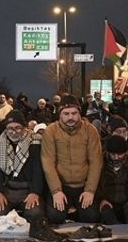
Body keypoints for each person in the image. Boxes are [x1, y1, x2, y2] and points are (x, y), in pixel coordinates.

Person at [40, 95, 103, 224]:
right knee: (54, 216)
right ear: (60, 115)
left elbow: (96, 162)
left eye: (74, 113)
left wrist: (90, 190)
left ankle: (75, 215)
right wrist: (56, 191)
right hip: (62, 185)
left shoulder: (90, 130)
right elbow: (48, 163)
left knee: (91, 217)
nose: (70, 117)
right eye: (66, 113)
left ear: (79, 113)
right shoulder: (51, 131)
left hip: (83, 185)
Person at [0, 111, 46, 222]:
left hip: (27, 189)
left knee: (35, 214)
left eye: (17, 128)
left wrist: (35, 192)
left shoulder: (35, 142)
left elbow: (38, 170)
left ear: (24, 127)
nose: (13, 132)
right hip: (7, 189)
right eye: (10, 128)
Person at [98, 134, 128, 224]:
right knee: (106, 215)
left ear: (126, 152)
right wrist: (101, 199)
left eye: (120, 154)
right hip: (108, 200)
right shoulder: (100, 162)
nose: (116, 157)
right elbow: (96, 184)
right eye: (113, 154)